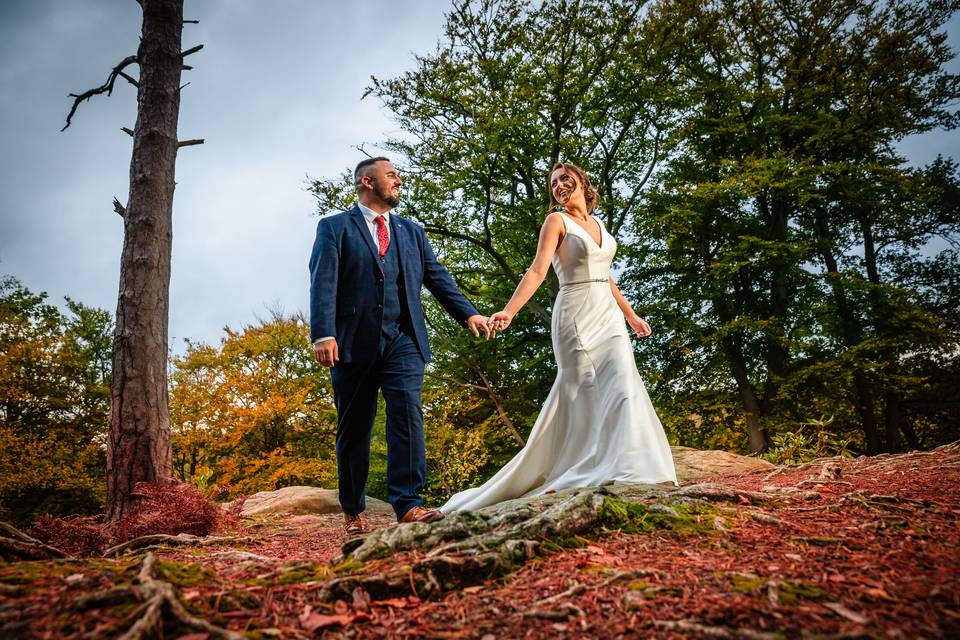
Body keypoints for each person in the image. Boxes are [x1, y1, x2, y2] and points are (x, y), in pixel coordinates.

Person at [442, 162, 677, 514]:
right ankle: (575, 464)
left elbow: (606, 275)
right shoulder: (556, 221)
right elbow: (538, 269)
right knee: (580, 388)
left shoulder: (598, 225)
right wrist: (510, 310)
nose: (559, 186)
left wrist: (630, 315)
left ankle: (631, 466)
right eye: (553, 183)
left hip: (609, 317)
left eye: (565, 179)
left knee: (624, 383)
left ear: (582, 181)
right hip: (576, 314)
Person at [310, 157, 492, 535]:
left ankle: (408, 504)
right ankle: (353, 510)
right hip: (351, 343)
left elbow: (436, 277)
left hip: (404, 339)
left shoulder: (411, 232)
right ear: (367, 182)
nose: (399, 180)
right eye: (391, 175)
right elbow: (323, 280)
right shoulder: (334, 228)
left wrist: (469, 314)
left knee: (407, 414)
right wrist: (323, 333)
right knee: (355, 427)